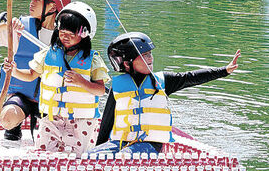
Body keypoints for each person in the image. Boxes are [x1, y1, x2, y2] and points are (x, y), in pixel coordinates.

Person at [91, 32, 240, 155]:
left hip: (150, 145)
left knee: (127, 156)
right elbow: (107, 122)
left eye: (150, 54)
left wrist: (224, 70)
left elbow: (191, 77)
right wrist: (99, 148)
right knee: (92, 156)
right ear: (127, 63)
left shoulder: (163, 81)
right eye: (145, 55)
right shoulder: (118, 85)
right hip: (120, 143)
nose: (150, 58)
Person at [3, 1, 109, 154]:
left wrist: (81, 82)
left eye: (71, 35)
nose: (65, 37)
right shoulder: (47, 54)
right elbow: (31, 75)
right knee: (43, 155)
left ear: (84, 34)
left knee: (78, 159)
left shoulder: (93, 60)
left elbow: (100, 90)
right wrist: (13, 70)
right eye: (62, 32)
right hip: (52, 118)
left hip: (81, 121)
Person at [0, 0, 71, 141]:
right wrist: (6, 26)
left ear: (53, 6)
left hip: (53, 99)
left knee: (58, 139)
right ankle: (14, 127)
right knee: (7, 119)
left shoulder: (66, 36)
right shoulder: (22, 28)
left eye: (37, 0)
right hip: (22, 95)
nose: (32, 3)